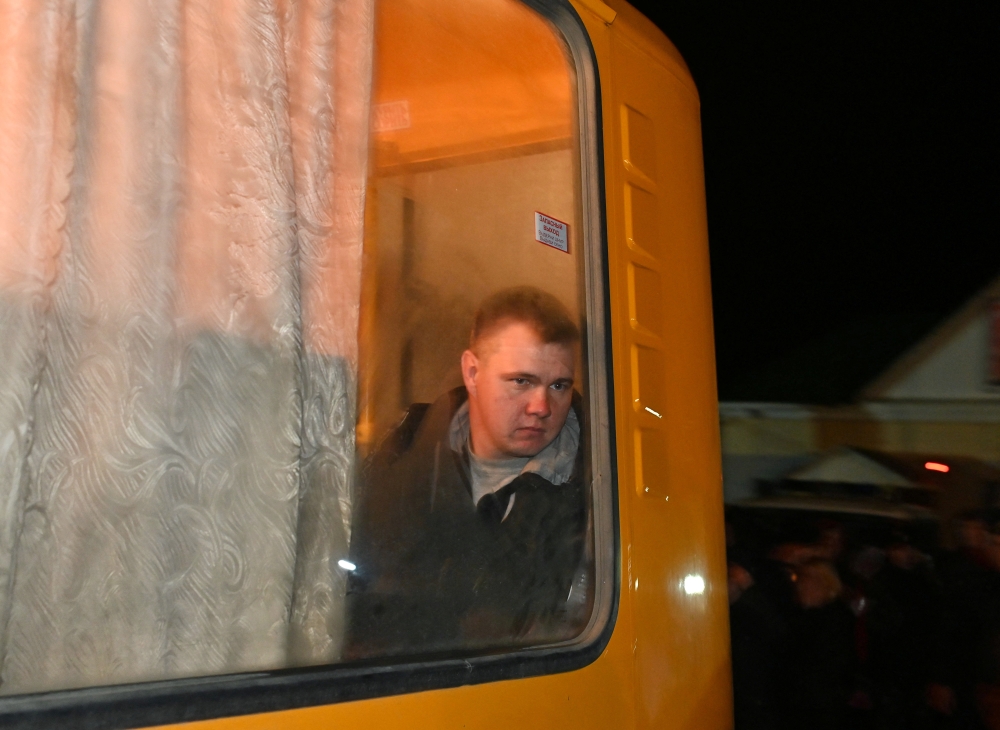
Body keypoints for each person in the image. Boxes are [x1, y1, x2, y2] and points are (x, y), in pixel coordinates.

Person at [344, 286, 589, 659]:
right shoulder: (403, 453)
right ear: (472, 372)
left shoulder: (597, 489)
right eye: (521, 381)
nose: (541, 406)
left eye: (559, 385)